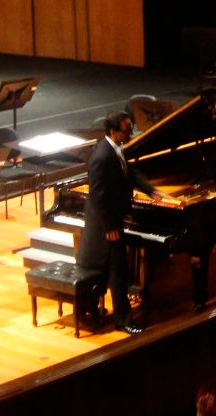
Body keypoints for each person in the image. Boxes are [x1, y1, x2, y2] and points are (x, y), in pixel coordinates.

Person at [76, 111, 172, 334]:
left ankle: (105, 312)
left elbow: (131, 173)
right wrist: (110, 226)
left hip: (113, 220)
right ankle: (123, 320)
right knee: (117, 273)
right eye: (127, 130)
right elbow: (97, 196)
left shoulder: (115, 149)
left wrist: (151, 191)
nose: (131, 133)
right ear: (113, 131)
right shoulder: (102, 157)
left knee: (118, 270)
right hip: (105, 226)